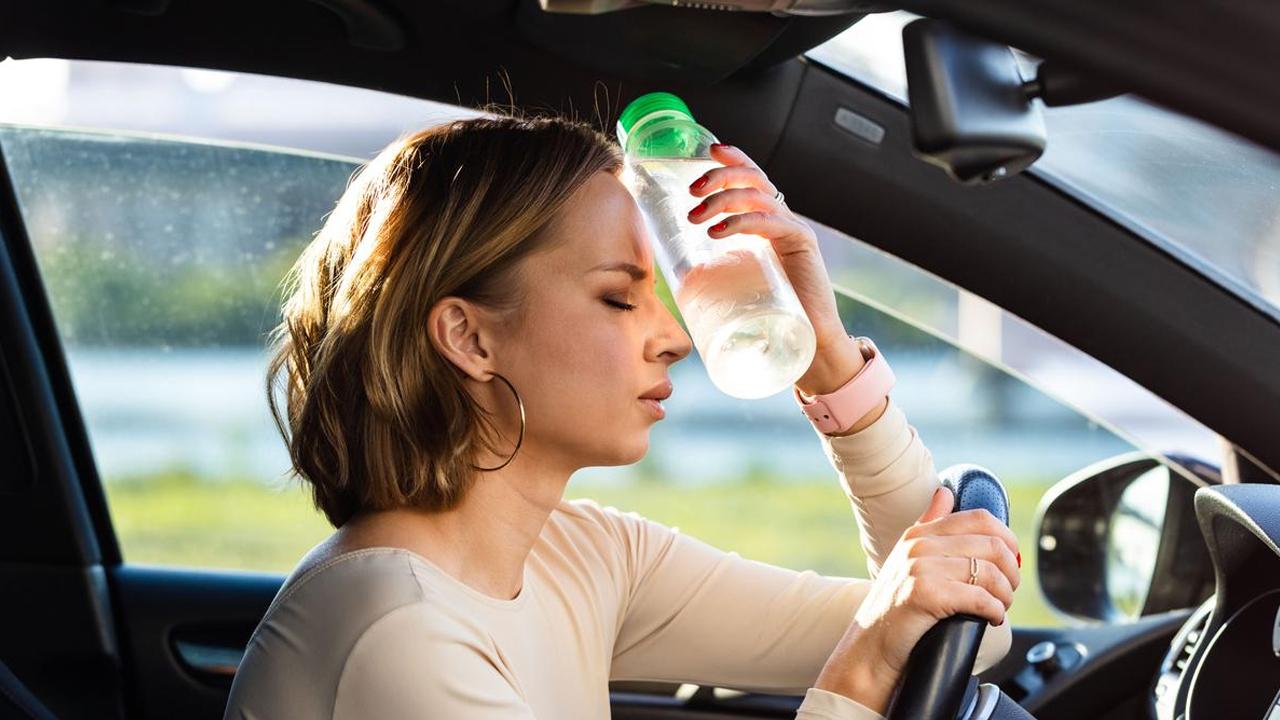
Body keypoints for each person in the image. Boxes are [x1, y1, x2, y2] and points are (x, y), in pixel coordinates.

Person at [224, 112, 1019, 720]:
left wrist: (828, 354)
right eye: (618, 296)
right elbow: (890, 643)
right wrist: (865, 668)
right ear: (468, 336)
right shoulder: (396, 631)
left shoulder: (585, 555)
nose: (674, 338)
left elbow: (969, 635)